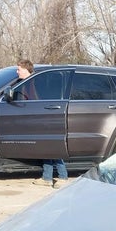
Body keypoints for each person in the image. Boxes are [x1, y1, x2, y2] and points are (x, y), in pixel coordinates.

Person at [16, 59, 69, 189]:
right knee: (45, 148)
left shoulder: (35, 82)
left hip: (44, 116)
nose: (17, 72)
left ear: (26, 70)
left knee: (52, 147)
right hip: (35, 117)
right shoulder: (23, 83)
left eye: (19, 69)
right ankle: (47, 177)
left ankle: (63, 176)